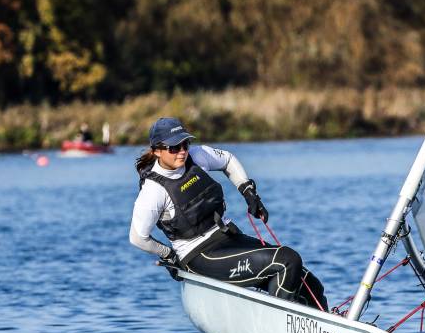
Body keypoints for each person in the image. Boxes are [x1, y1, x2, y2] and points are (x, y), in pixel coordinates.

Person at [130, 117, 327, 309]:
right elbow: (138, 237)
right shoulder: (153, 191)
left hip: (229, 238)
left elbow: (228, 160)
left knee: (309, 283)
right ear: (157, 151)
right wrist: (169, 255)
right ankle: (281, 329)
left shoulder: (197, 157)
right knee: (287, 260)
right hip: (199, 255)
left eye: (185, 144)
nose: (182, 152)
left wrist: (248, 192)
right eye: (174, 148)